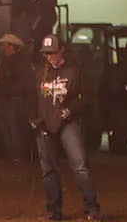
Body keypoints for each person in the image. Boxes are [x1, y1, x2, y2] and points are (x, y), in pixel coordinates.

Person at [33, 33, 99, 220]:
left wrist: (70, 110)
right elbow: (32, 96)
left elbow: (88, 95)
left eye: (53, 52)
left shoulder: (75, 70)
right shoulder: (39, 72)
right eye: (47, 54)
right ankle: (53, 211)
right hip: (45, 125)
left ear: (62, 50)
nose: (50, 57)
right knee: (48, 170)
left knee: (80, 166)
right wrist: (33, 118)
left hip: (69, 124)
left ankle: (91, 208)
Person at [0, 33, 34, 164]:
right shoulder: (5, 62)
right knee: (7, 130)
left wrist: (6, 93)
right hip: (7, 100)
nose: (2, 48)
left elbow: (25, 82)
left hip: (14, 101)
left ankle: (17, 158)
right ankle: (13, 157)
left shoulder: (20, 63)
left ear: (11, 47)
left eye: (5, 45)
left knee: (14, 130)